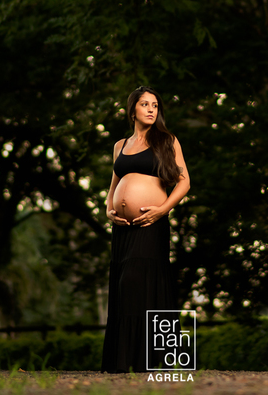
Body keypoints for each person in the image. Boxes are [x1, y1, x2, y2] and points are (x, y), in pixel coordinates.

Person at [100, 86, 191, 373]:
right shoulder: (120, 146)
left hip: (151, 223)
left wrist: (163, 210)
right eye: (144, 104)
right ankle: (124, 361)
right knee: (123, 284)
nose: (151, 109)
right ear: (132, 110)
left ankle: (148, 360)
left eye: (155, 105)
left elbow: (184, 181)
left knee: (137, 281)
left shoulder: (166, 140)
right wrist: (109, 210)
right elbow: (113, 187)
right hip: (123, 229)